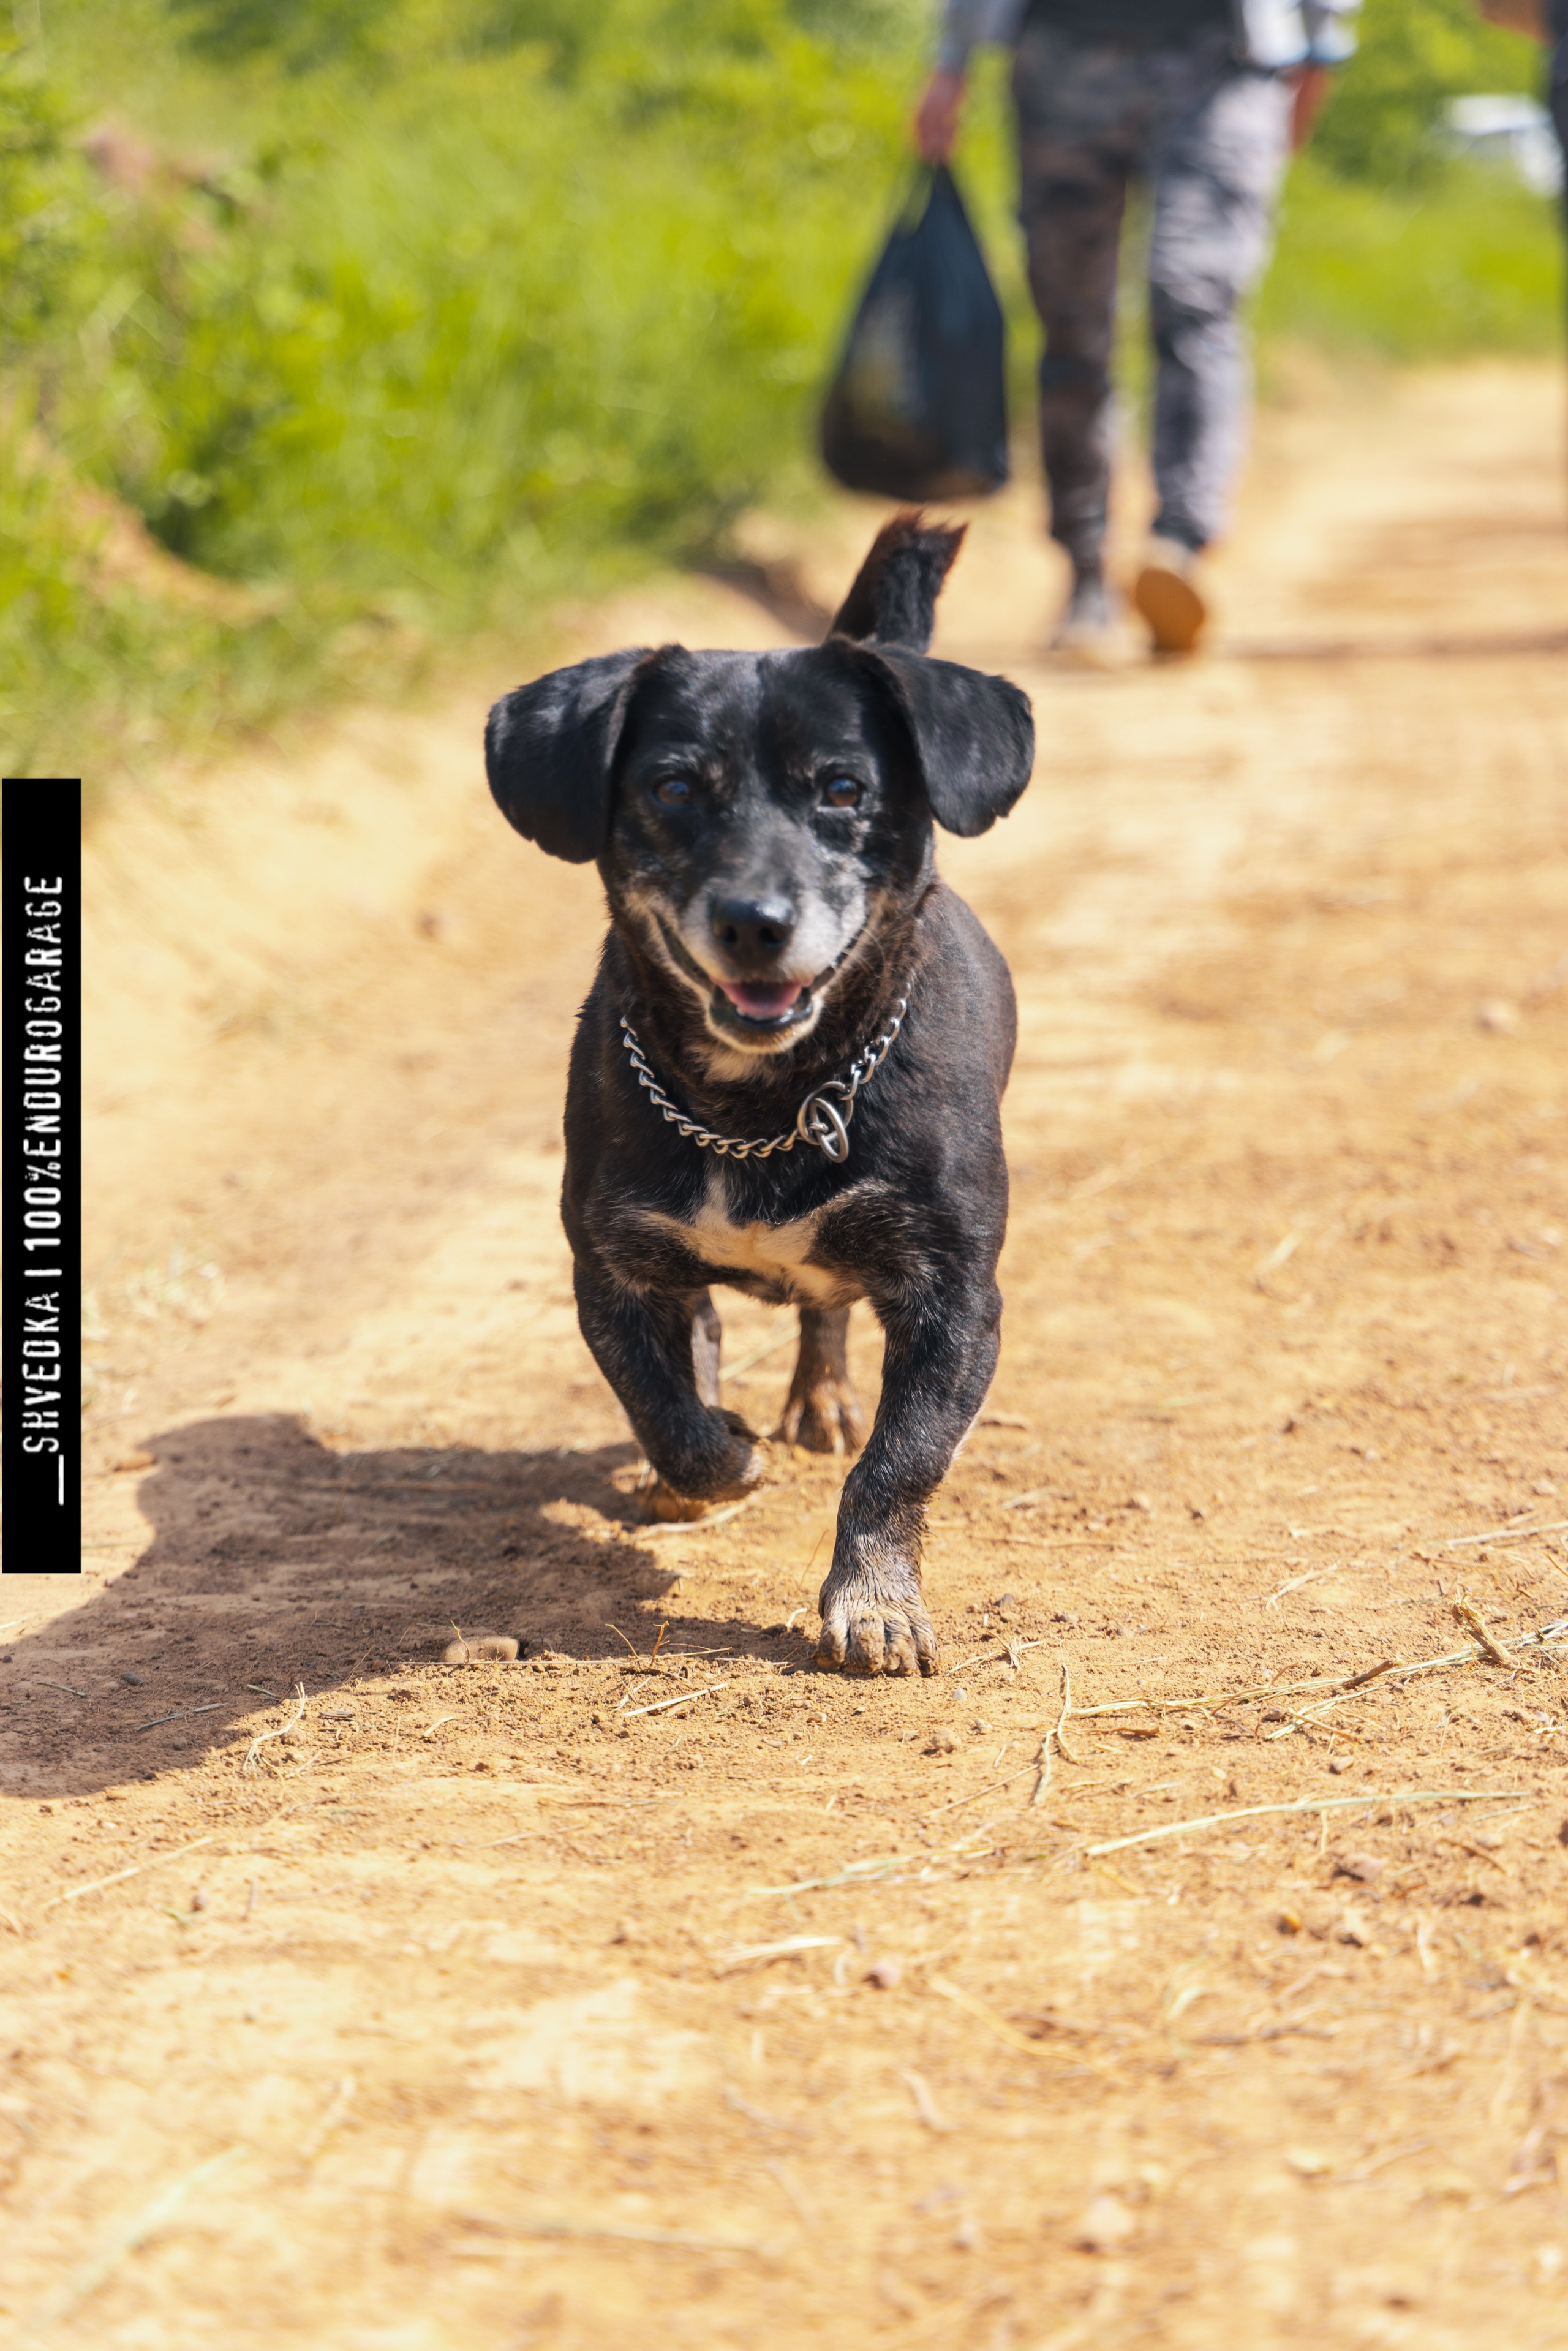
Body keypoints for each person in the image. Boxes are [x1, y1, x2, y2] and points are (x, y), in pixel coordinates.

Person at [916, 0, 1359, 657]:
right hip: (1060, 51)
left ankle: (1177, 545)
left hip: (1221, 57)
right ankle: (1085, 570)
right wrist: (950, 60)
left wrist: (1322, 40)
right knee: (1070, 324)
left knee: (1193, 295)